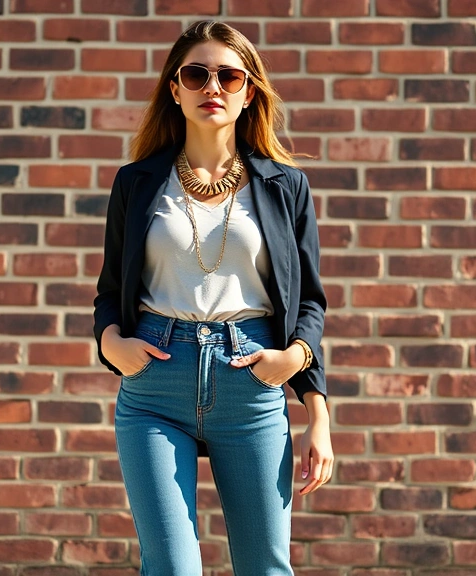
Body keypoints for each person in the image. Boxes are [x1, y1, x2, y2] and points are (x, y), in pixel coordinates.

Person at [92, 20, 332, 575]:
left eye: (229, 76)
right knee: (172, 567)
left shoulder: (284, 186)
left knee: (264, 567)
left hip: (251, 379)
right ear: (175, 89)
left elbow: (309, 305)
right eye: (196, 74)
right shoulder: (136, 182)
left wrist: (307, 392)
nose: (212, 87)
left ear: (250, 92)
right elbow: (109, 292)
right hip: (155, 382)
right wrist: (111, 344)